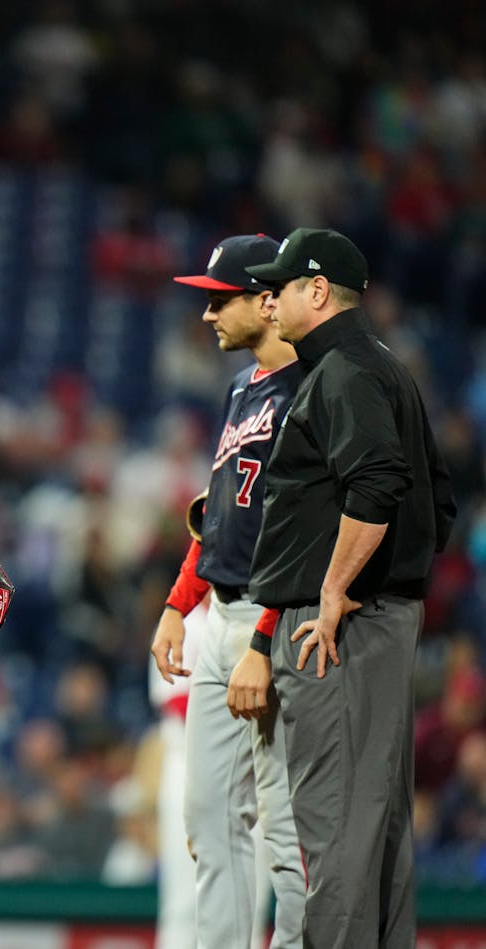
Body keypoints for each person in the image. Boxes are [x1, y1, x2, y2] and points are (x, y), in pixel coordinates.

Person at [227, 227, 455, 949]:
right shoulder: (378, 366)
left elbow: (380, 482)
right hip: (373, 623)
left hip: (342, 631)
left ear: (317, 290)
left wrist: (334, 589)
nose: (271, 299)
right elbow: (438, 502)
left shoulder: (345, 372)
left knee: (336, 838)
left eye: (282, 286)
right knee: (370, 833)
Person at [149, 235, 305, 948]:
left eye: (221, 299)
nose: (208, 314)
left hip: (281, 617)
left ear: (268, 300)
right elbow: (214, 513)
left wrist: (267, 635)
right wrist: (179, 603)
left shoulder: (315, 387)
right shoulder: (241, 388)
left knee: (286, 825)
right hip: (220, 615)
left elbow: (312, 531)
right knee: (209, 821)